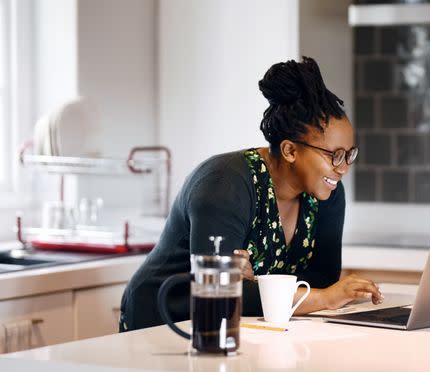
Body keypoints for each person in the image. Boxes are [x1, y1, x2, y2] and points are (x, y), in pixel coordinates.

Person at [119, 56, 383, 332]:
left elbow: (322, 276)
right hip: (164, 322)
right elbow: (219, 292)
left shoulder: (326, 192)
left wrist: (254, 282)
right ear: (290, 150)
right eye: (335, 156)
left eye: (349, 154)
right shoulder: (224, 185)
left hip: (240, 329)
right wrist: (324, 298)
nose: (343, 168)